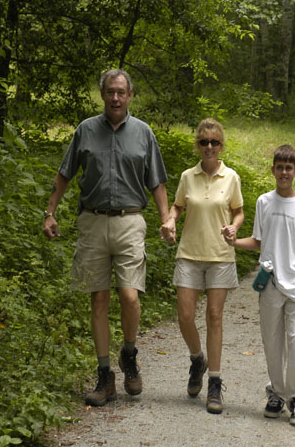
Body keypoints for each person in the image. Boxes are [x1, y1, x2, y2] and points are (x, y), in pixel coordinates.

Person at [42, 69, 169, 407]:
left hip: (130, 221)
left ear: (130, 96)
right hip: (93, 222)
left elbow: (156, 181)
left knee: (130, 297)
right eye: (110, 92)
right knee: (98, 299)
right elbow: (65, 172)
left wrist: (167, 219)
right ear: (102, 94)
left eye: (121, 92)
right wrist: (50, 211)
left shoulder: (143, 133)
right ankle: (104, 376)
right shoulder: (86, 130)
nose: (115, 98)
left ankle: (129, 354)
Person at [223, 145, 295, 426]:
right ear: (273, 170)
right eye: (279, 167)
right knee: (273, 342)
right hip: (270, 285)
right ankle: (277, 394)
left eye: (289, 168)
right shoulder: (264, 202)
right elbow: (258, 242)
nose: (284, 173)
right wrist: (234, 242)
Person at [159, 118, 244, 415]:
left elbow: (239, 211)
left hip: (220, 255)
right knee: (184, 315)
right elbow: (178, 206)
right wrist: (170, 220)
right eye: (204, 142)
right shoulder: (187, 176)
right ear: (198, 144)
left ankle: (215, 383)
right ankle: (198, 359)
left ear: (221, 146)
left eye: (214, 142)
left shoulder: (231, 177)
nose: (209, 147)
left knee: (214, 316)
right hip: (189, 253)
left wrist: (234, 227)